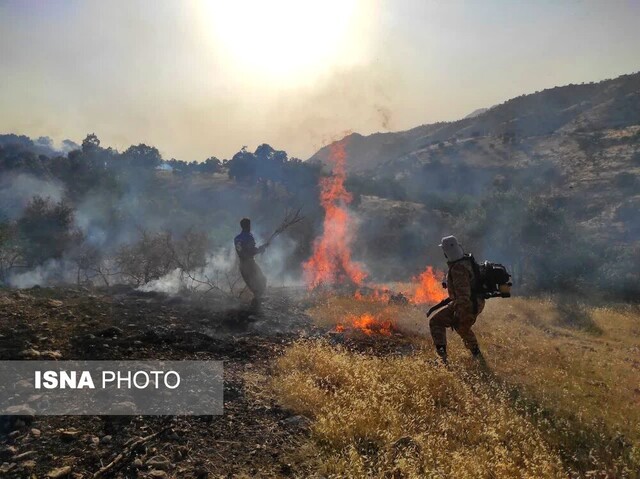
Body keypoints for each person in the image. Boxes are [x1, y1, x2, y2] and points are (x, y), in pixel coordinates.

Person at [429, 235, 485, 364]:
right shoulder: (466, 261)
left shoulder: (458, 268)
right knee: (463, 329)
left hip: (467, 305)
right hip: (475, 302)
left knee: (437, 322)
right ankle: (478, 358)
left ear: (446, 252)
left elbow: (463, 295)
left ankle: (442, 359)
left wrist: (457, 312)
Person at [234, 218, 268, 306]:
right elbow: (252, 251)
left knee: (251, 284)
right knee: (262, 280)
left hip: (242, 264)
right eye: (249, 225)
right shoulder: (249, 237)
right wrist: (261, 249)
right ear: (247, 226)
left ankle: (256, 301)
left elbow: (244, 251)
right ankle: (256, 302)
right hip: (250, 264)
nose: (250, 227)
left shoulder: (237, 238)